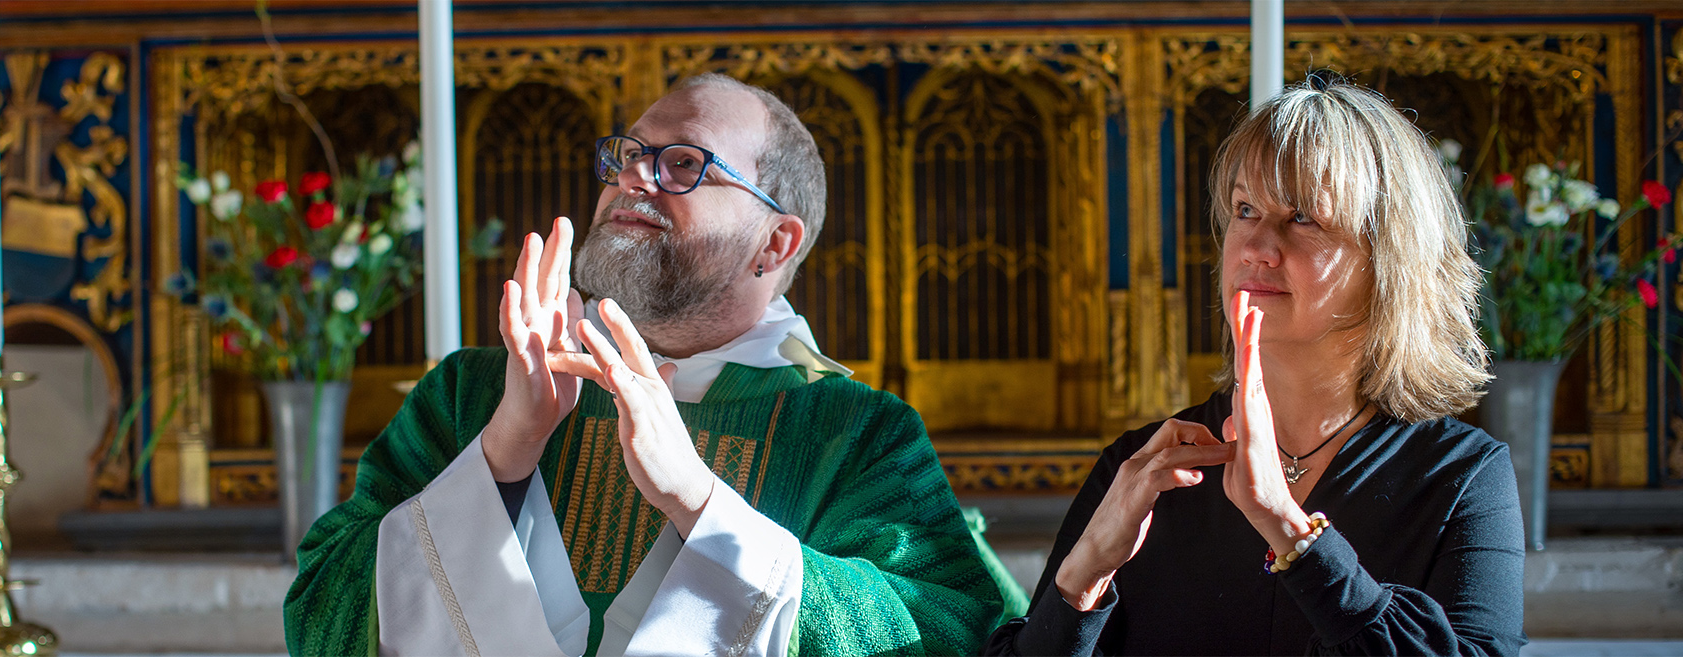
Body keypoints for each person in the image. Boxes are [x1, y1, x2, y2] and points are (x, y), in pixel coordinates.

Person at [285, 73, 1004, 656]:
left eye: (684, 163)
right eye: (628, 155)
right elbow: (320, 613)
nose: (634, 176)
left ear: (775, 244)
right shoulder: (471, 391)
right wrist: (504, 450)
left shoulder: (858, 432)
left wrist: (697, 499)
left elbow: (949, 632)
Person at [984, 76, 1526, 655]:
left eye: (1303, 218)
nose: (1255, 246)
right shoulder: (1141, 471)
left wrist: (1288, 530)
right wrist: (1084, 574)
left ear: (1388, 260)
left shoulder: (1464, 478)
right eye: (1245, 209)